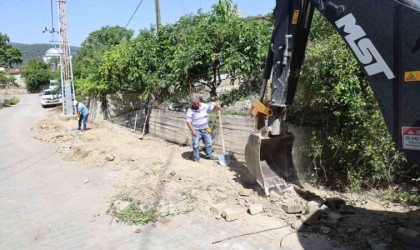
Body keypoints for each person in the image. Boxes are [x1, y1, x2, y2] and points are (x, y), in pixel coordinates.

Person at [186, 95, 221, 162]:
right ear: (192, 103)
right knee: (196, 144)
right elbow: (188, 122)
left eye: (197, 103)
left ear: (199, 101)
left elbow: (211, 108)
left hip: (205, 128)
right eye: (194, 104)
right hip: (196, 130)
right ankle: (196, 158)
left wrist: (216, 107)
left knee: (209, 143)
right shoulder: (190, 110)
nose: (196, 105)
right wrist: (192, 131)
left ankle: (209, 155)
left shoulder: (203, 105)